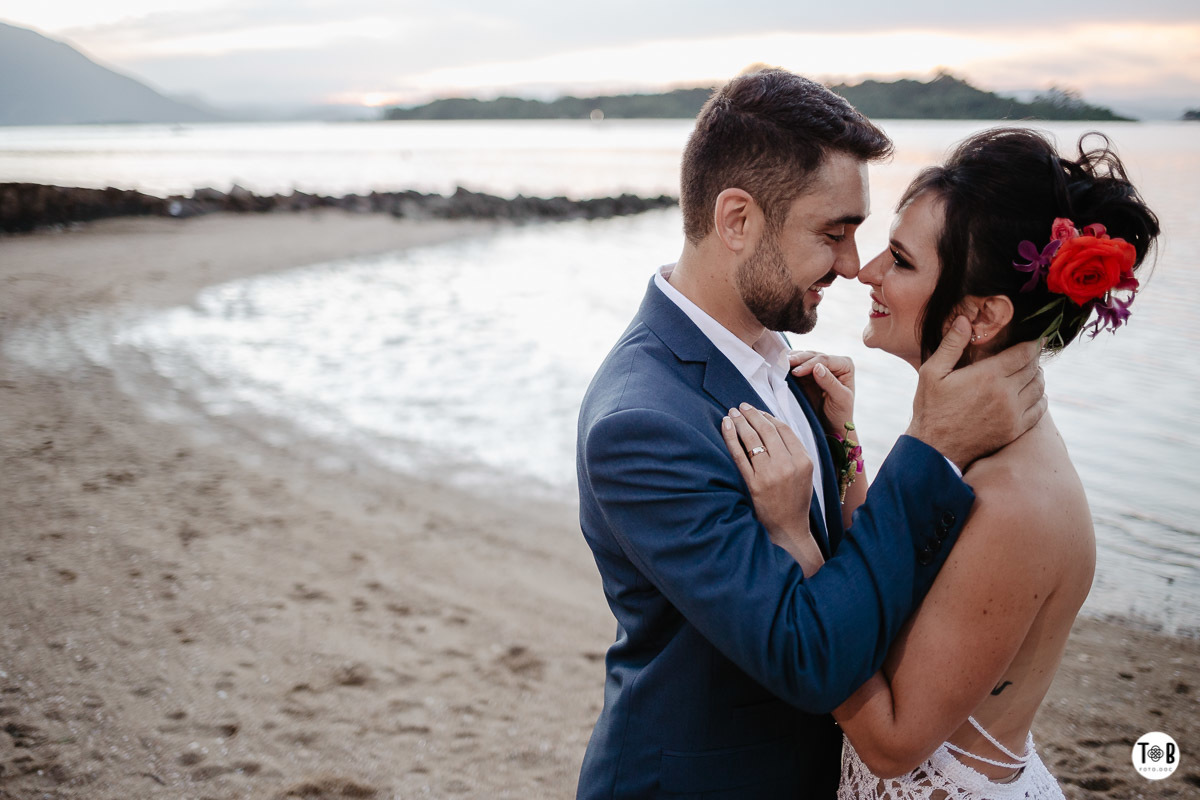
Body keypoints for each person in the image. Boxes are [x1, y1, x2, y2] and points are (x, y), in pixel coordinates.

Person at [575, 69, 1048, 799]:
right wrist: (932, 445)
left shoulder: (786, 370)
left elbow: (846, 576)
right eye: (834, 234)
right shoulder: (642, 425)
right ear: (737, 220)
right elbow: (811, 658)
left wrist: (849, 450)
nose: (856, 266)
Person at [723, 127, 1159, 798]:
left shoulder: (1016, 503)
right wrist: (845, 447)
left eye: (899, 259)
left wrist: (795, 540)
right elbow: (903, 582)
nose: (864, 271)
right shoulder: (973, 435)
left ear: (980, 315)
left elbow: (892, 742)